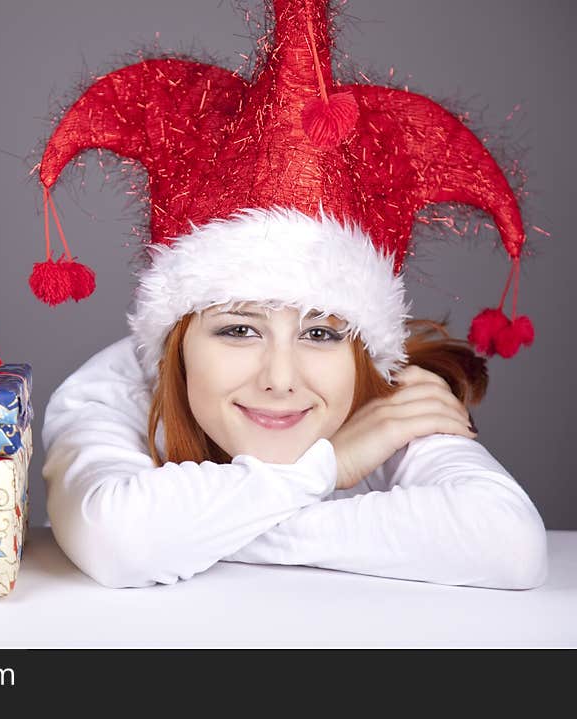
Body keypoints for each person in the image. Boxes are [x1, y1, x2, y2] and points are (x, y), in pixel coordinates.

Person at [28, 1, 547, 589]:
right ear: (179, 338)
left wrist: (234, 528)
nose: (280, 379)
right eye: (238, 329)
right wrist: (331, 465)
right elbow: (121, 540)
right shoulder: (110, 391)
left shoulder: (393, 398)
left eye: (321, 333)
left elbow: (509, 546)